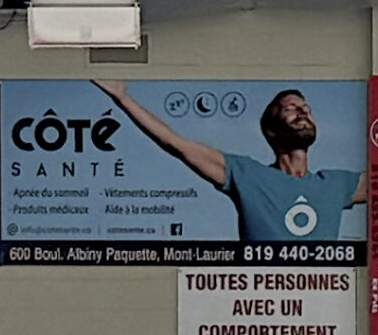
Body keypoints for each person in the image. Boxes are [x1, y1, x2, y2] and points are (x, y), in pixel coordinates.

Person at [94, 81, 362, 244]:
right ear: (270, 129)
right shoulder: (248, 176)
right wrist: (123, 98)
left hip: (320, 313)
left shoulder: (337, 185)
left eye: (307, 108)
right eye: (291, 108)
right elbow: (177, 145)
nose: (303, 110)